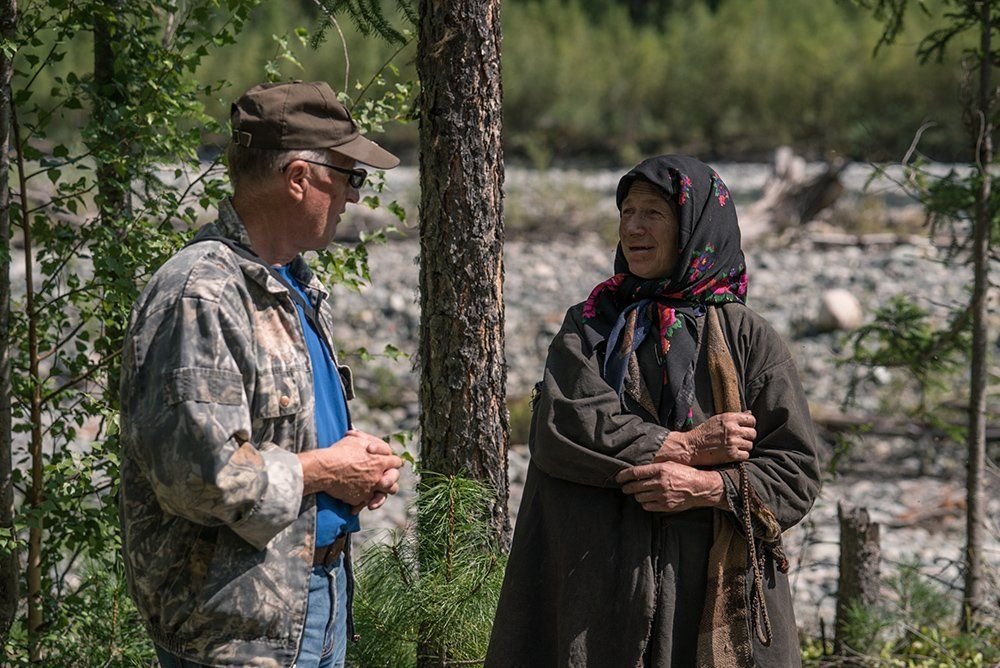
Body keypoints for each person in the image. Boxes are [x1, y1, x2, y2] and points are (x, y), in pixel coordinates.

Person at [486, 155, 821, 667]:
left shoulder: (747, 339)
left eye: (654, 214)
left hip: (706, 593)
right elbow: (567, 425)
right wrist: (685, 446)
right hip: (597, 594)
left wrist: (706, 488)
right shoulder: (591, 328)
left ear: (695, 227)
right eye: (627, 212)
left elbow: (794, 472)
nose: (634, 228)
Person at [119, 81, 405, 668]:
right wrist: (328, 470)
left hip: (312, 603)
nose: (354, 197)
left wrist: (353, 459)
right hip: (234, 634)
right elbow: (201, 476)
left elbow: (284, 435)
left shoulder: (291, 284)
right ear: (300, 177)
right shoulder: (202, 292)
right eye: (350, 176)